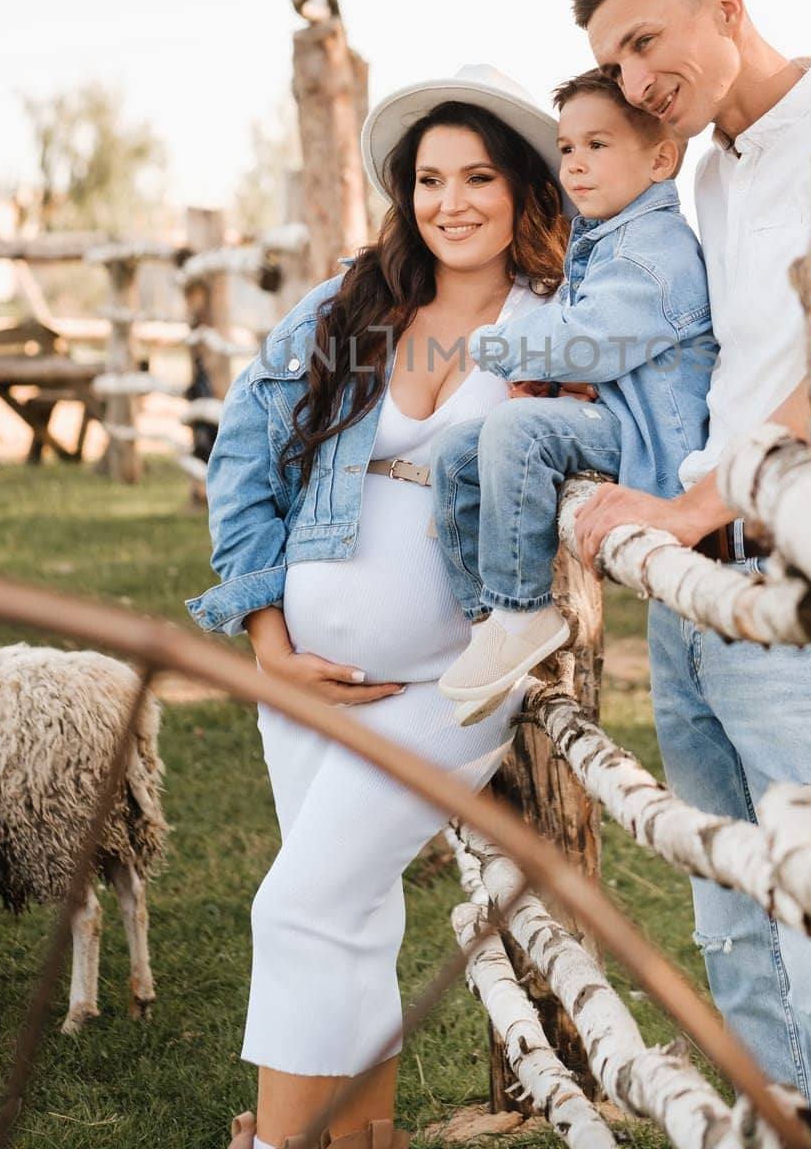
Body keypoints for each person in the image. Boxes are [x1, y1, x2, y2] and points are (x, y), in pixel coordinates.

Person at [568, 0, 811, 1115]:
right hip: (694, 595)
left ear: (724, 5)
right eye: (608, 62)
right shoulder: (709, 173)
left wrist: (691, 506)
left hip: (793, 582)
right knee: (728, 908)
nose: (629, 84)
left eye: (642, 42)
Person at [187, 64, 570, 1149]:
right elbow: (244, 460)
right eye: (430, 180)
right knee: (347, 914)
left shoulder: (559, 326)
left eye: (478, 178)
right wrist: (267, 641)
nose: (450, 203)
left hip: (447, 682)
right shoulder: (351, 305)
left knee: (295, 905)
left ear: (522, 188)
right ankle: (363, 1139)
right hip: (303, 672)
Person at [432, 69, 715, 721]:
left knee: (519, 427)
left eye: (598, 145)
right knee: (457, 453)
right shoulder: (607, 236)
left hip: (657, 448)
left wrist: (494, 345)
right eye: (566, 149)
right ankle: (488, 625)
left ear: (660, 157)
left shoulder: (654, 251)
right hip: (613, 421)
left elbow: (588, 339)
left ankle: (520, 610)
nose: (576, 166)